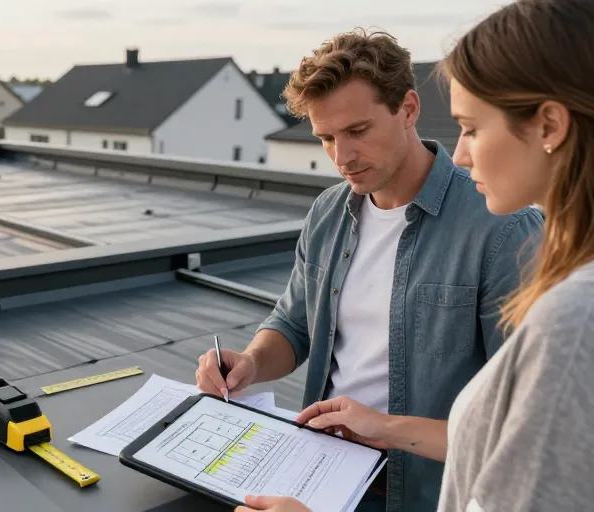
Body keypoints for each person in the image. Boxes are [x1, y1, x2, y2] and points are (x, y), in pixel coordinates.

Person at [233, 0, 594, 511]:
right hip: (323, 476)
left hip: (422, 492)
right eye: (326, 138)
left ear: (407, 109)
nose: (342, 157)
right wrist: (249, 362)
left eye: (357, 131)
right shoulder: (328, 212)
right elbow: (294, 324)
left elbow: (515, 434)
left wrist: (389, 431)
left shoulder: (509, 233)